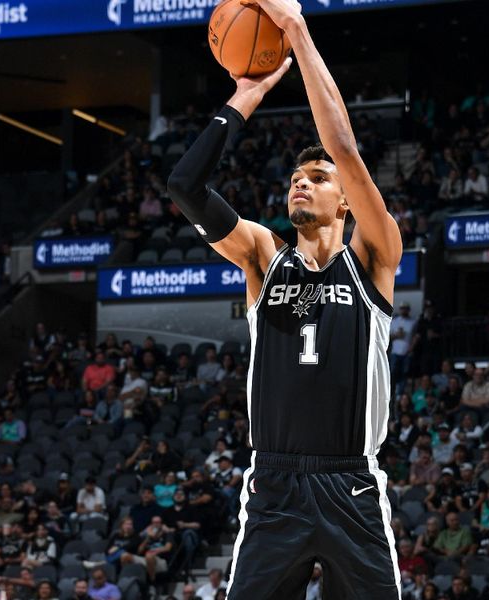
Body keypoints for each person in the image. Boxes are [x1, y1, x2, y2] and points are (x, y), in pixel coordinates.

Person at [167, 3, 404, 596]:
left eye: (318, 179)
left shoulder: (373, 259)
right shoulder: (263, 256)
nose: (303, 181)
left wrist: (297, 31)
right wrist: (247, 92)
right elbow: (184, 186)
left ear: (345, 200)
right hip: (273, 485)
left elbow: (344, 148)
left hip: (351, 487)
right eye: (297, 177)